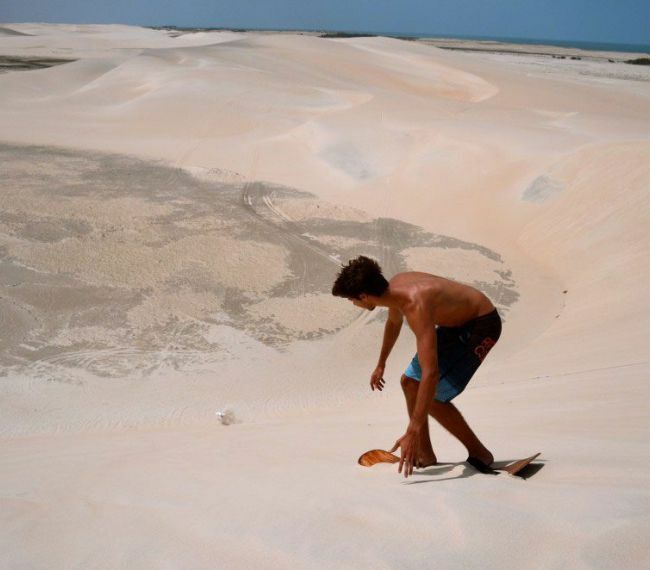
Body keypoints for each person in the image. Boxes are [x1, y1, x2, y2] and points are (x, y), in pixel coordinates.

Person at [332, 255, 502, 478]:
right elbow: (394, 322)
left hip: (482, 325)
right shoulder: (394, 291)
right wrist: (381, 363)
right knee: (410, 383)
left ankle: (481, 454)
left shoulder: (415, 304)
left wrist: (412, 430)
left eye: (352, 300)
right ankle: (425, 455)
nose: (354, 304)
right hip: (456, 324)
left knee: (431, 395)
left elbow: (430, 373)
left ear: (364, 296)